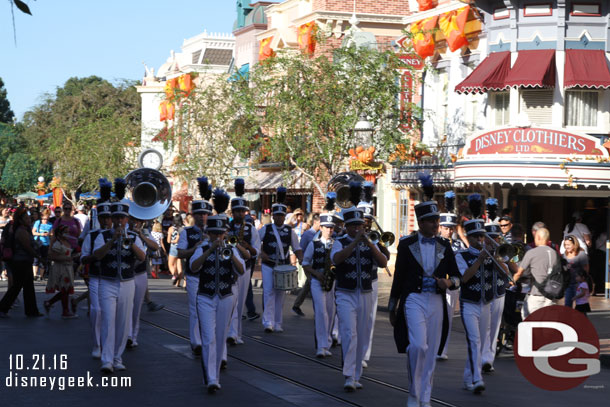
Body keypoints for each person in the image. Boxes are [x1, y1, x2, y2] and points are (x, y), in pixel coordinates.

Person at [389, 195, 460, 406]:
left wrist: (448, 284)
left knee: (430, 352)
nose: (436, 224)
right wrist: (393, 305)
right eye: (431, 220)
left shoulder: (444, 246)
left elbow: (456, 277)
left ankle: (425, 397)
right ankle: (413, 394)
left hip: (436, 302)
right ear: (420, 223)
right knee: (418, 346)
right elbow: (399, 276)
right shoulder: (407, 244)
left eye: (437, 220)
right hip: (414, 299)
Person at [331, 181, 388, 392]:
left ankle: (356, 375)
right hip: (345, 293)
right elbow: (336, 259)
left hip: (365, 292)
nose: (357, 229)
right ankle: (348, 375)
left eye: (360, 226)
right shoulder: (340, 241)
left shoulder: (370, 242)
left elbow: (383, 262)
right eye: (353, 226)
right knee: (348, 332)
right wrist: (354, 243)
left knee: (363, 333)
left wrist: (370, 244)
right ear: (346, 227)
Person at [189, 189, 245, 394]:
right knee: (209, 337)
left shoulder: (232, 248)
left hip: (226, 297)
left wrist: (230, 255)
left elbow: (241, 270)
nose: (218, 237)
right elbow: (193, 268)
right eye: (215, 234)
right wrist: (211, 250)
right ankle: (210, 377)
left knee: (220, 337)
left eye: (221, 234)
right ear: (208, 234)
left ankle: (216, 375)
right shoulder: (201, 248)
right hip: (205, 297)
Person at [93, 180, 145, 373]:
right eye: (116, 218)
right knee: (108, 320)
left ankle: (117, 357)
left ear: (127, 219)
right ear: (112, 218)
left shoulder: (134, 236)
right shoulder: (103, 236)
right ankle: (106, 360)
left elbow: (142, 257)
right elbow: (97, 255)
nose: (119, 221)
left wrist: (129, 242)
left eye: (123, 218)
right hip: (107, 282)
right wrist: (113, 240)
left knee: (123, 322)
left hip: (127, 283)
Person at [258, 187, 303, 333]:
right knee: (269, 292)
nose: (278, 218)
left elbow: (296, 248)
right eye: (276, 215)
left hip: (283, 265)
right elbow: (255, 243)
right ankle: (268, 322)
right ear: (273, 216)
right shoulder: (266, 229)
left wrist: (302, 260)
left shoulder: (290, 231)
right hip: (268, 264)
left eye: (281, 215)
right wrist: (261, 253)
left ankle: (278, 322)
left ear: (285, 216)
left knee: (280, 294)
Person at [177, 177, 212, 356]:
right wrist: (196, 247)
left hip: (210, 275)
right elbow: (180, 253)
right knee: (195, 309)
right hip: (193, 276)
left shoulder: (214, 232)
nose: (202, 217)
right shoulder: (188, 232)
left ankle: (207, 339)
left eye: (205, 214)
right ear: (193, 216)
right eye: (199, 214)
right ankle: (196, 341)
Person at [80, 180, 112, 359]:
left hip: (113, 278)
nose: (107, 221)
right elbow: (84, 257)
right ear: (98, 218)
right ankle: (97, 343)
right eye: (103, 218)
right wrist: (95, 256)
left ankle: (110, 345)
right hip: (96, 276)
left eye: (109, 218)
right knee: (97, 310)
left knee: (111, 313)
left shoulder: (120, 235)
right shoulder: (92, 236)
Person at [302, 195, 336, 357]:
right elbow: (305, 263)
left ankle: (327, 342)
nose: (330, 230)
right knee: (321, 312)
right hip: (317, 281)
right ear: (321, 227)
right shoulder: (313, 244)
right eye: (327, 227)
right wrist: (317, 274)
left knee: (330, 312)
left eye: (332, 228)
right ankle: (321, 346)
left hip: (332, 282)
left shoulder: (337, 244)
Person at [227, 178, 259, 345]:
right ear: (232, 212)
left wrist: (247, 247)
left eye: (242, 211)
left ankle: (236, 333)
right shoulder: (226, 227)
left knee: (240, 303)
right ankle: (230, 332)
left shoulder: (251, 229)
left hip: (245, 268)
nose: (239, 214)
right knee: (230, 299)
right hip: (228, 268)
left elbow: (256, 251)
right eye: (236, 211)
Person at [436, 191, 464, 361]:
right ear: (440, 227)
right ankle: (434, 345)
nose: (448, 231)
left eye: (450, 228)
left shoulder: (458, 244)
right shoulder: (435, 242)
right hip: (437, 283)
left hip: (451, 285)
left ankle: (442, 349)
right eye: (445, 228)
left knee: (447, 318)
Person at [0, 208, 43, 318]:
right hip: (20, 262)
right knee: (17, 286)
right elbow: (27, 247)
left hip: (25, 261)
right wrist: (37, 256)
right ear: (21, 220)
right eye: (27, 218)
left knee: (28, 286)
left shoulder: (24, 229)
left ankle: (31, 310)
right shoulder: (20, 231)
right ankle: (3, 308)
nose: (29, 220)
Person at [512, 227, 562, 318]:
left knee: (528, 319)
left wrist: (511, 282)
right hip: (552, 295)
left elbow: (519, 273)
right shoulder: (554, 253)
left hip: (536, 295)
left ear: (538, 237)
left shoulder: (532, 252)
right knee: (548, 323)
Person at [126, 216, 159, 349]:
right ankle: (126, 335)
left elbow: (155, 246)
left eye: (138, 221)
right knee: (125, 305)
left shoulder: (144, 232)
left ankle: (133, 336)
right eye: (133, 220)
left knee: (136, 307)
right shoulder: (123, 231)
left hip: (140, 273)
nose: (135, 223)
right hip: (126, 273)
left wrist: (141, 235)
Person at [43, 225, 78, 318]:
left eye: (68, 232)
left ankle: (49, 303)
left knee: (65, 290)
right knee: (64, 288)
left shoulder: (66, 242)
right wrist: (66, 258)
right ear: (59, 233)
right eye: (65, 232)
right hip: (60, 268)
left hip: (68, 268)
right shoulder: (57, 244)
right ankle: (65, 311)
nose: (67, 234)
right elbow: (51, 256)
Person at [292, 212, 320, 317]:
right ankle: (318, 309)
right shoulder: (308, 234)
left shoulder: (320, 234)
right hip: (308, 264)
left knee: (309, 285)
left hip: (317, 264)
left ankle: (296, 305)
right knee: (313, 284)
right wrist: (302, 261)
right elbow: (300, 248)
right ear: (316, 222)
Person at [562, 234, 589, 308]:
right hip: (569, 284)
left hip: (578, 284)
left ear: (574, 244)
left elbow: (586, 269)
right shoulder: (564, 254)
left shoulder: (581, 254)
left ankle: (582, 319)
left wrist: (583, 283)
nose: (566, 247)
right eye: (565, 244)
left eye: (569, 245)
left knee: (581, 307)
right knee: (567, 305)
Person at [32, 209, 53, 281]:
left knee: (44, 259)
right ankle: (35, 275)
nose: (45, 220)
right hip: (38, 243)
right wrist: (41, 234)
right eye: (44, 219)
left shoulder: (50, 224)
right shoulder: (38, 222)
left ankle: (41, 276)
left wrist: (49, 234)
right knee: (36, 259)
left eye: (47, 219)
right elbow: (33, 232)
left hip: (46, 244)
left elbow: (52, 234)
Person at [167, 213, 184, 288]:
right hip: (181, 248)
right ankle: (178, 282)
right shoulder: (183, 228)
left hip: (173, 248)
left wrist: (172, 240)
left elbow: (168, 241)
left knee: (170, 264)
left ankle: (175, 275)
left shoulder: (171, 228)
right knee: (179, 265)